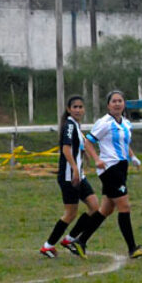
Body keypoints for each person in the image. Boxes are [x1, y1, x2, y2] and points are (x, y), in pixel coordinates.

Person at [70, 90, 142, 260]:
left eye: (120, 101)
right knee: (124, 207)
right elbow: (88, 142)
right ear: (108, 105)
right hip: (110, 168)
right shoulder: (104, 122)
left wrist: (133, 157)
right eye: (113, 101)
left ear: (124, 104)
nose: (117, 104)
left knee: (106, 209)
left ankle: (80, 241)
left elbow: (124, 143)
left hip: (121, 167)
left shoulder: (126, 123)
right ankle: (132, 248)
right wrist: (97, 159)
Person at [41, 95, 103, 259]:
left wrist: (84, 159)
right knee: (70, 213)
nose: (78, 109)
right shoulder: (69, 125)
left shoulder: (75, 126)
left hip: (78, 175)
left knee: (95, 207)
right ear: (69, 109)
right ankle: (48, 246)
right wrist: (75, 168)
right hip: (70, 177)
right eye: (74, 107)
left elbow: (78, 147)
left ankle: (69, 239)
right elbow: (66, 149)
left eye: (80, 107)